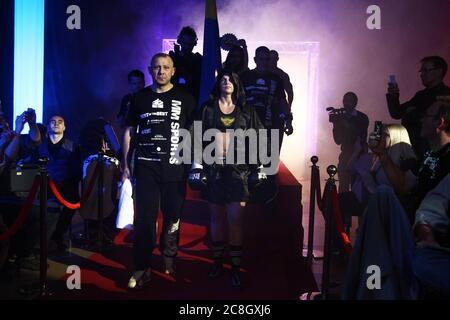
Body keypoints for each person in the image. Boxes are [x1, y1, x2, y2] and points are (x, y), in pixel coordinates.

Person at [122, 53, 196, 289]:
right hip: (145, 166)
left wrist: (196, 164)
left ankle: (168, 256)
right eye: (156, 68)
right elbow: (129, 132)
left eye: (165, 67)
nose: (161, 71)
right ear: (150, 70)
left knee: (172, 217)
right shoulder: (139, 98)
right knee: (144, 220)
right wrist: (124, 164)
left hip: (175, 167)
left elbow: (193, 132)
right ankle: (142, 267)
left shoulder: (186, 98)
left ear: (173, 71)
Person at [188, 71, 264, 287]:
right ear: (218, 83)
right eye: (223, 79)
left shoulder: (246, 110)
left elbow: (259, 136)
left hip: (238, 171)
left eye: (231, 79)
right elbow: (194, 136)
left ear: (237, 84)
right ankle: (217, 262)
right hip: (213, 169)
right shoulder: (207, 109)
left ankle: (236, 267)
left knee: (236, 220)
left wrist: (260, 167)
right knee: (216, 218)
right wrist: (196, 165)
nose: (227, 82)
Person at [386, 56, 450, 159]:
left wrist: (413, 113)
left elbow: (438, 124)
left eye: (425, 70)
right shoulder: (420, 95)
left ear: (439, 72)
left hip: (430, 152)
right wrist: (393, 95)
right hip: (412, 150)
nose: (422, 75)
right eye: (421, 71)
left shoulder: (446, 95)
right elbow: (396, 113)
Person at [331, 92, 369, 193]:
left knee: (358, 187)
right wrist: (336, 124)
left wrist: (347, 124)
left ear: (355, 103)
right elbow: (337, 140)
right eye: (345, 101)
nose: (347, 104)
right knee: (343, 187)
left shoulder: (362, 118)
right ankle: (343, 207)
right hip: (345, 154)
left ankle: (356, 207)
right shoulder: (341, 117)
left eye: (350, 101)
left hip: (359, 156)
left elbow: (361, 137)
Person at [169, 26, 203, 103]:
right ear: (180, 41)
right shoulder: (171, 58)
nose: (187, 47)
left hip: (192, 99)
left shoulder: (198, 59)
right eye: (184, 43)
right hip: (173, 99)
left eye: (190, 44)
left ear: (194, 43)